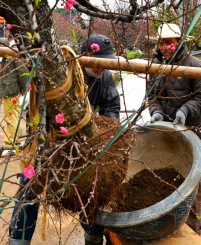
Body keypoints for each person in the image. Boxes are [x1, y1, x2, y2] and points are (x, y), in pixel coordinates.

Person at [8, 34, 121, 245]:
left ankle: (93, 236)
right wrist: (47, 142)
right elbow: (36, 113)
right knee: (29, 188)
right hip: (50, 140)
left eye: (107, 62)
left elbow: (111, 106)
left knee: (95, 188)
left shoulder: (104, 77)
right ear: (85, 55)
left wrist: (106, 129)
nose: (102, 67)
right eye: (99, 61)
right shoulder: (60, 72)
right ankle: (17, 240)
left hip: (85, 143)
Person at [146, 23, 201, 235]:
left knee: (191, 182)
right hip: (165, 131)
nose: (166, 47)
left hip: (190, 130)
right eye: (162, 43)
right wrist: (155, 111)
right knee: (164, 176)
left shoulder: (195, 66)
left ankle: (194, 229)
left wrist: (185, 110)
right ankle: (166, 227)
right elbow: (151, 96)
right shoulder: (155, 66)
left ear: (179, 41)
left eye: (170, 42)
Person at [0, 37, 30, 155]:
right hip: (10, 90)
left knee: (11, 119)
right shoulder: (8, 55)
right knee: (12, 118)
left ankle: (11, 146)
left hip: (11, 91)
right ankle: (12, 144)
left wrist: (23, 89)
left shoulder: (13, 54)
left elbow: (23, 73)